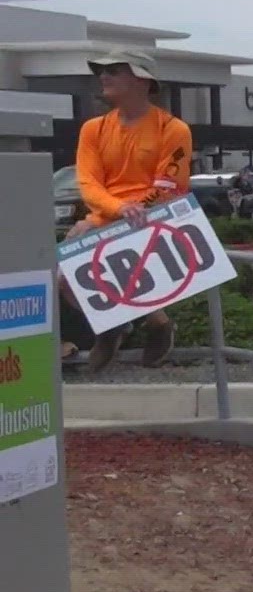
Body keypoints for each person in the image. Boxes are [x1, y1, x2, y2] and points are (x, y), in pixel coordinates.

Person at [65, 50, 193, 371]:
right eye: (102, 70)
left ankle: (137, 325)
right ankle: (129, 324)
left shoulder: (173, 129)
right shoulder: (93, 129)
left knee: (111, 251)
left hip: (156, 219)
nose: (104, 76)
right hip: (110, 216)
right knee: (63, 277)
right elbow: (88, 183)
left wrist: (123, 216)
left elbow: (168, 187)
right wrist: (116, 212)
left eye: (115, 70)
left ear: (142, 80)